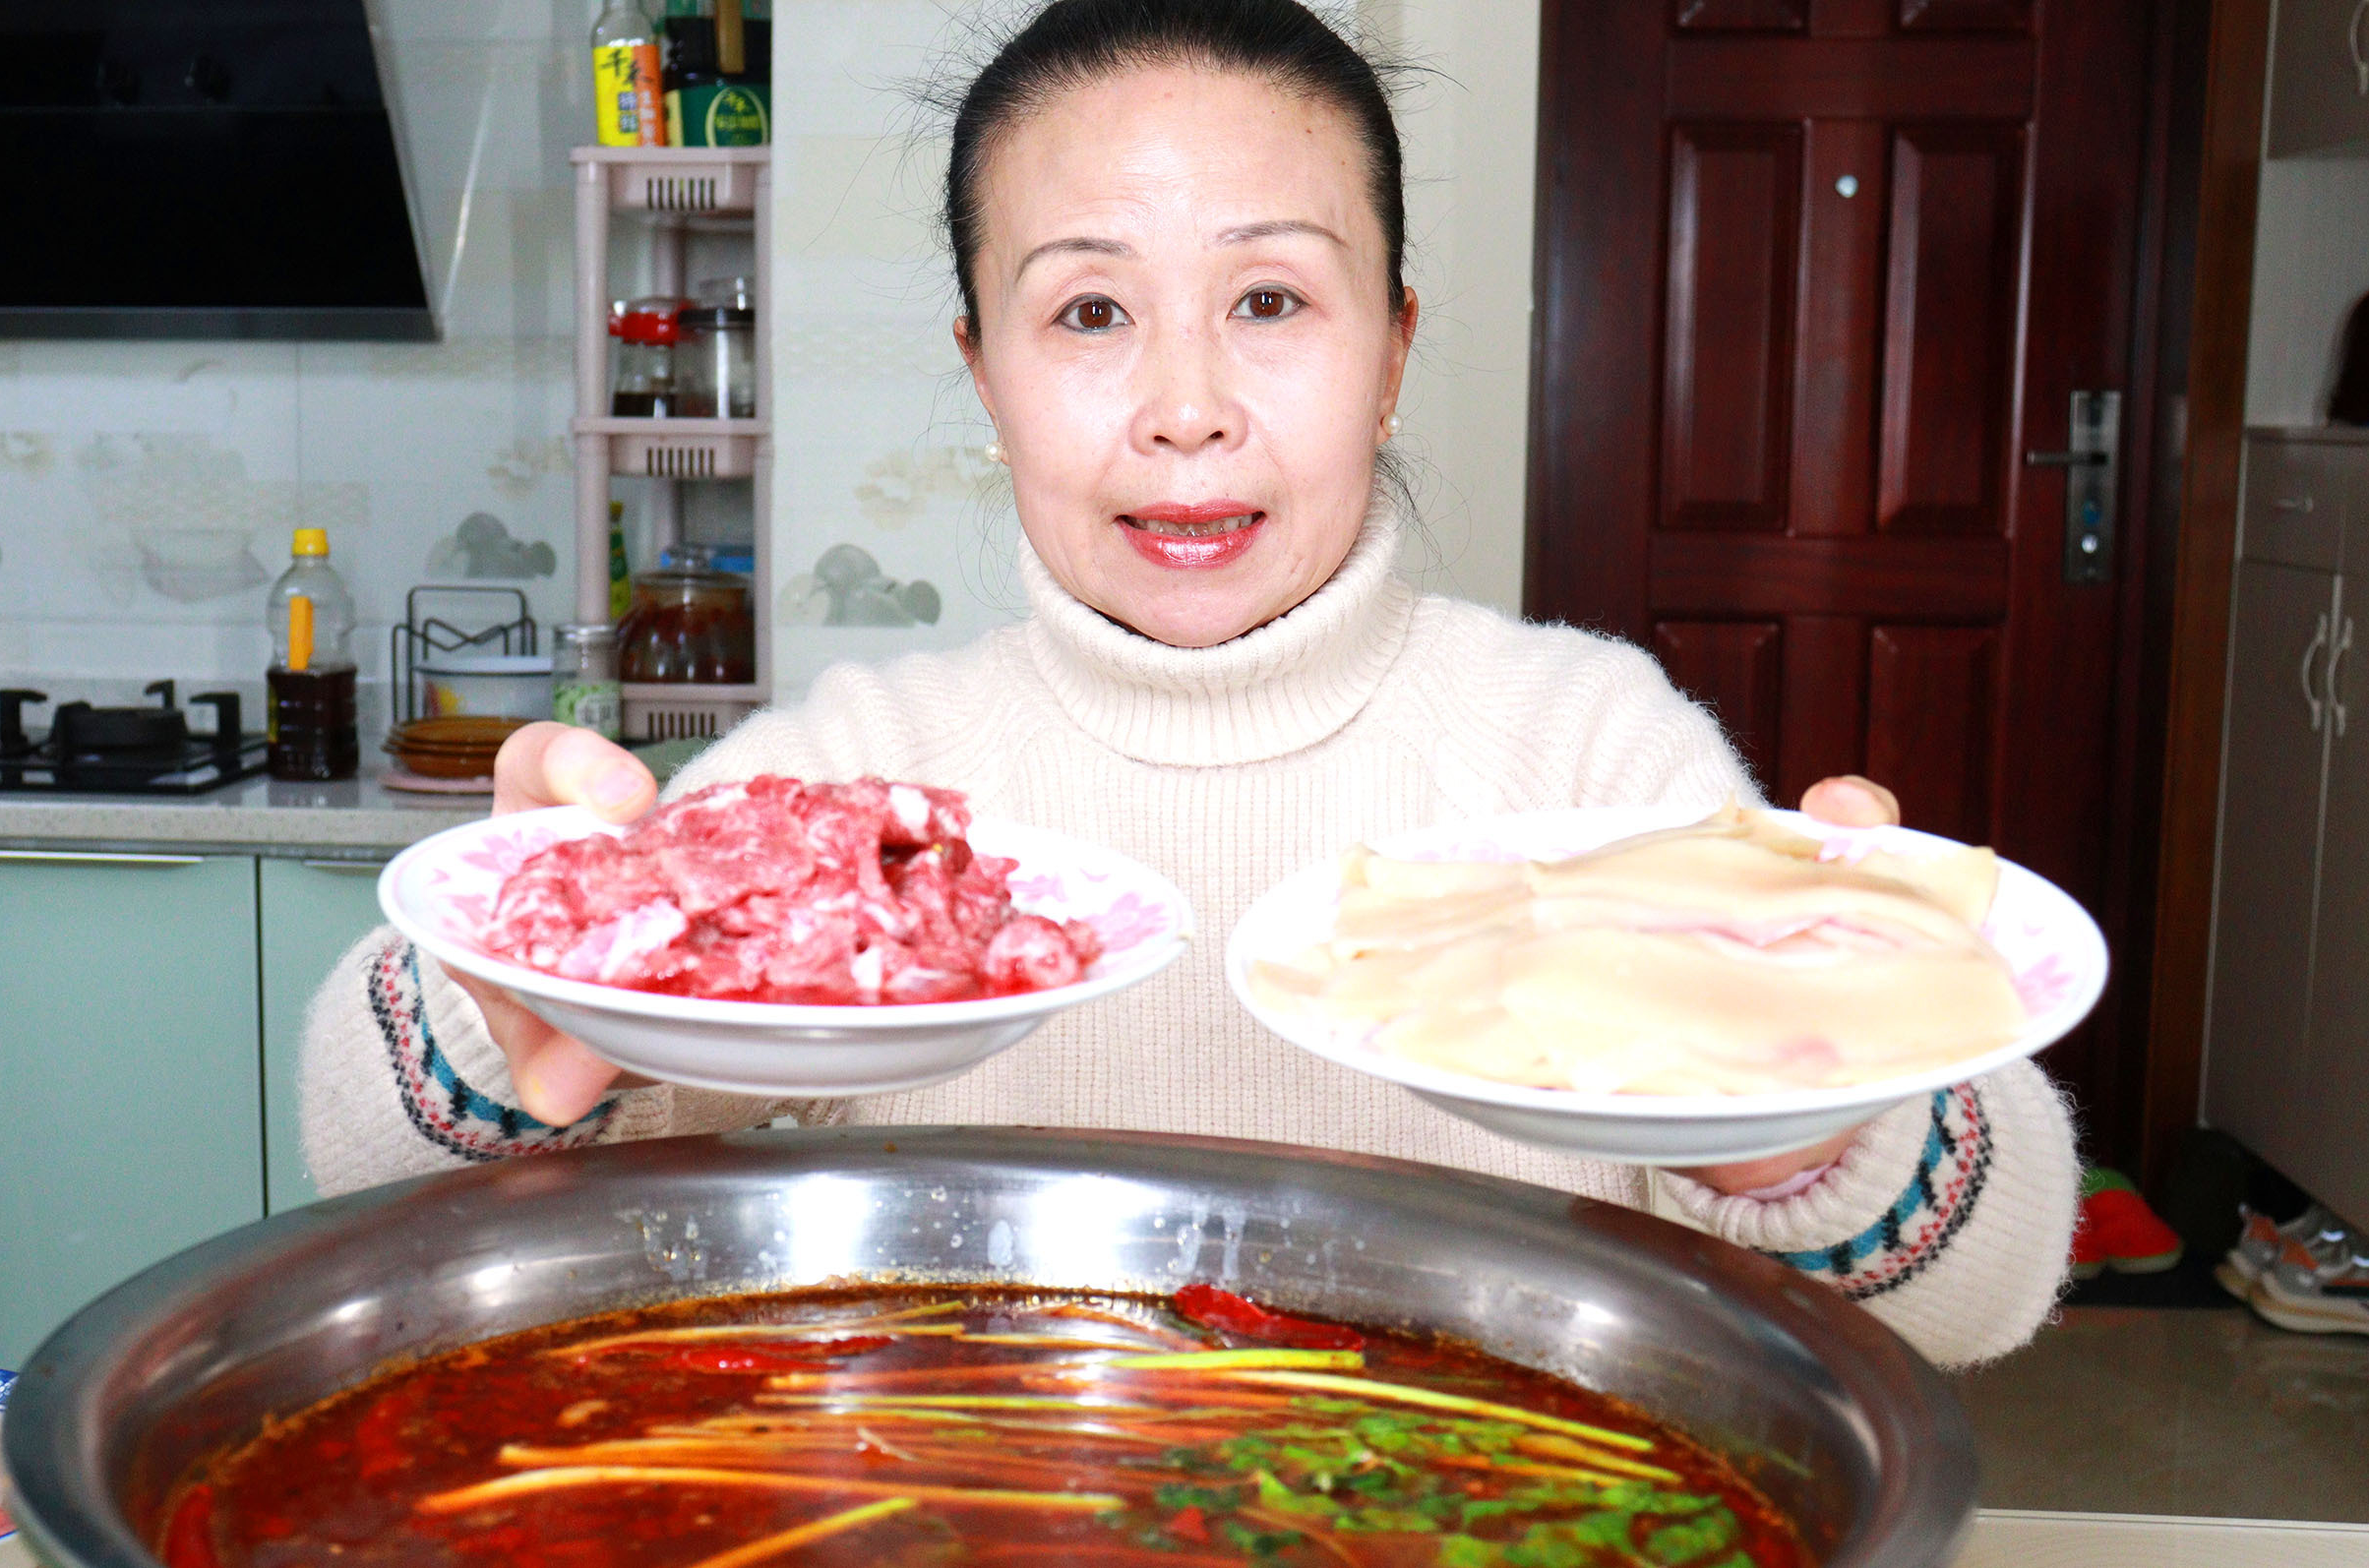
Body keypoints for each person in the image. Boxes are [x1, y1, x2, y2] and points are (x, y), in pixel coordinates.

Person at [302, 0, 2075, 1368]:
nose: (1183, 407)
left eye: (1271, 303)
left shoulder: (1585, 747)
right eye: (1086, 314)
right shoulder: (853, 787)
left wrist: (1816, 1108)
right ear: (982, 370)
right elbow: (360, 1156)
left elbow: (1985, 1290)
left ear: (1391, 348)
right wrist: (510, 963)